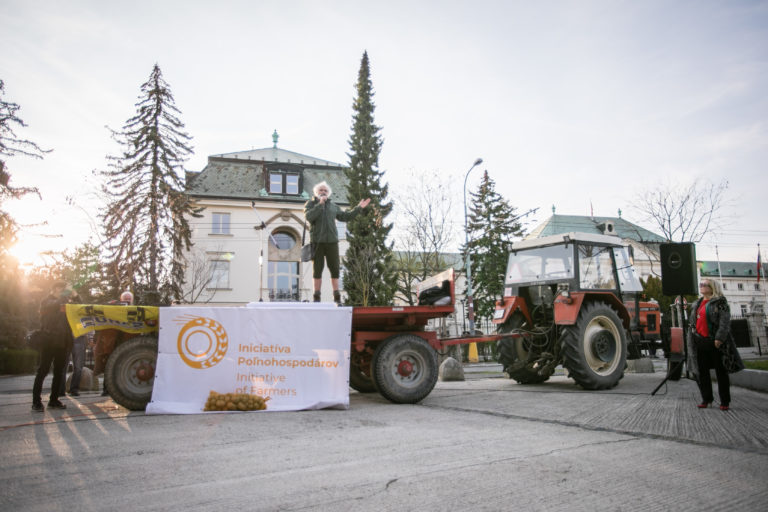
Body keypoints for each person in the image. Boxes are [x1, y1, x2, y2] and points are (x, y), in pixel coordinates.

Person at [304, 181, 370, 304]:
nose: (323, 192)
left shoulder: (333, 206)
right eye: (321, 190)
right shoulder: (311, 204)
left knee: (334, 268)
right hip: (317, 242)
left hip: (332, 242)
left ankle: (336, 295)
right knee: (317, 270)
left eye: (325, 191)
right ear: (316, 192)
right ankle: (316, 295)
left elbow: (346, 216)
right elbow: (309, 217)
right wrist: (320, 204)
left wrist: (359, 208)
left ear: (328, 193)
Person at [689, 278, 744, 411]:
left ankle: (724, 401)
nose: (701, 287)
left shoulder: (720, 302)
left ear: (712, 287)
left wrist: (719, 338)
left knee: (721, 372)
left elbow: (724, 322)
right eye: (700, 284)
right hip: (700, 341)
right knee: (702, 372)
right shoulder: (698, 303)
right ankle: (706, 399)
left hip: (715, 342)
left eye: (705, 285)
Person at [31, 282, 74, 412]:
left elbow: (78, 307)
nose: (64, 292)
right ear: (55, 289)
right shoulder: (46, 301)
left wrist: (75, 295)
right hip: (49, 341)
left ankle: (53, 400)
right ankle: (36, 402)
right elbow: (52, 307)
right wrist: (64, 295)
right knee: (43, 371)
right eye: (62, 289)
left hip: (62, 342)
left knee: (59, 373)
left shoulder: (65, 302)